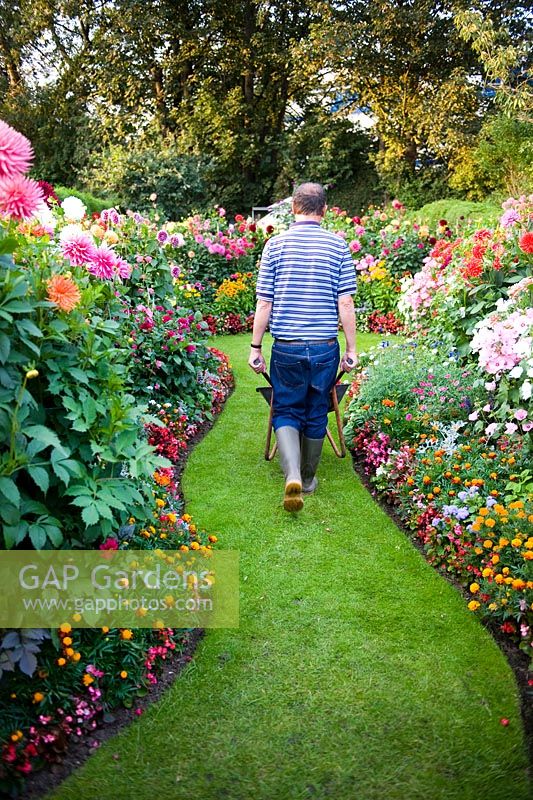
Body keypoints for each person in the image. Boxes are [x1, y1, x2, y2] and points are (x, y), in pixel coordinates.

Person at [248, 182, 357, 512]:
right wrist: (351, 349)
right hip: (324, 347)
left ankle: (292, 472)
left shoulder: (275, 246)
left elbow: (264, 303)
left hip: (287, 347)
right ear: (324, 210)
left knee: (285, 408)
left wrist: (256, 347)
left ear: (294, 208)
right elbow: (346, 302)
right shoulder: (338, 247)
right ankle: (308, 479)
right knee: (315, 409)